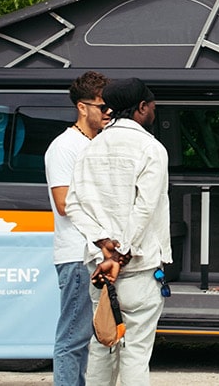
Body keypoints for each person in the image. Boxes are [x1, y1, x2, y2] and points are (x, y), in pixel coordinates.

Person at [67, 78, 172, 386]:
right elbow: (145, 208)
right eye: (152, 106)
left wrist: (102, 241)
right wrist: (121, 251)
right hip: (138, 269)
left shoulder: (90, 147)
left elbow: (73, 204)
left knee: (101, 345)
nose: (154, 112)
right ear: (141, 107)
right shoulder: (151, 148)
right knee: (135, 352)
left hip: (99, 269)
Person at [46, 72, 111, 386]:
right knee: (72, 337)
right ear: (82, 108)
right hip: (76, 254)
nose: (106, 112)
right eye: (101, 106)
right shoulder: (64, 146)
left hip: (98, 253)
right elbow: (63, 202)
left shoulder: (97, 142)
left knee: (94, 338)